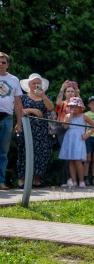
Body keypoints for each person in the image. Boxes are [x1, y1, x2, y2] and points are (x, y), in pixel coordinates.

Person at [15, 73, 54, 189]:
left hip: (41, 130)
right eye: (34, 83)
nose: (36, 85)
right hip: (26, 128)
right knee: (24, 152)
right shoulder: (22, 97)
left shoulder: (45, 97)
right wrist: (33, 110)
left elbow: (51, 108)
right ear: (29, 84)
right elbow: (18, 110)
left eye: (38, 83)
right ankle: (22, 181)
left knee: (41, 153)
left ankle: (37, 180)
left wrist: (43, 96)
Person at [59, 97, 94, 188]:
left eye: (76, 107)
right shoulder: (68, 116)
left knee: (78, 160)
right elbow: (65, 127)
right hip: (70, 139)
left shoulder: (84, 116)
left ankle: (81, 181)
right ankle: (73, 181)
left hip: (79, 140)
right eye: (72, 106)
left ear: (81, 108)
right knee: (71, 161)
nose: (74, 108)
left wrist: (87, 134)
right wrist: (70, 116)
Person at [0, 52, 23, 190]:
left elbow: (18, 102)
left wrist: (19, 123)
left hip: (7, 117)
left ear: (8, 64)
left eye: (3, 62)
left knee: (3, 152)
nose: (1, 64)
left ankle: (0, 182)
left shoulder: (14, 79)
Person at [55, 80, 79, 187]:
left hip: (74, 129)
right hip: (62, 128)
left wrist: (78, 93)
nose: (70, 93)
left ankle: (70, 179)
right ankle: (66, 180)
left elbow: (81, 106)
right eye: (68, 91)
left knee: (72, 155)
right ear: (65, 93)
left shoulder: (77, 104)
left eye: (72, 91)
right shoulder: (63, 103)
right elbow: (57, 102)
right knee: (66, 153)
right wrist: (62, 88)